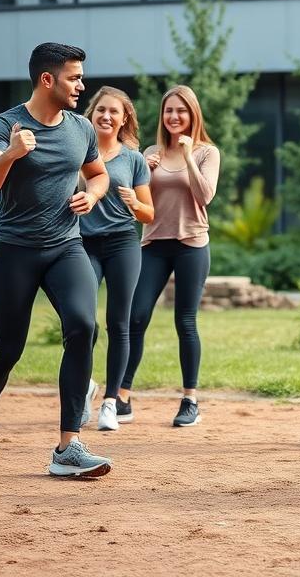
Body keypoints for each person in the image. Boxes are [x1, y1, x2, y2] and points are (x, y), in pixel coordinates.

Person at [0, 42, 113, 478]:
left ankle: (69, 446)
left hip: (65, 246)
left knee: (83, 327)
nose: (82, 85)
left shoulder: (80, 128)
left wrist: (92, 194)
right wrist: (11, 153)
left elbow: (98, 173)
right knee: (8, 349)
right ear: (48, 79)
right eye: (74, 77)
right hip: (15, 250)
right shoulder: (5, 124)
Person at [119, 85, 220, 427]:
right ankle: (122, 396)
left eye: (181, 111)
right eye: (169, 111)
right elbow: (138, 201)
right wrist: (143, 171)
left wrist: (189, 155)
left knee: (185, 321)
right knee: (136, 317)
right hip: (154, 244)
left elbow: (205, 196)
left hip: (192, 243)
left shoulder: (207, 153)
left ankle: (190, 399)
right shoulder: (150, 152)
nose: (174, 117)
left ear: (193, 114)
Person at [78, 86, 154, 431]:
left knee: (118, 323)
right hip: (83, 243)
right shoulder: (76, 152)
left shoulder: (133, 160)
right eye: (101, 111)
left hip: (123, 243)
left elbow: (148, 213)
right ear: (92, 114)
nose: (106, 117)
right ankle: (82, 388)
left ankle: (110, 401)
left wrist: (133, 203)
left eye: (114, 112)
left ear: (125, 120)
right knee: (80, 320)